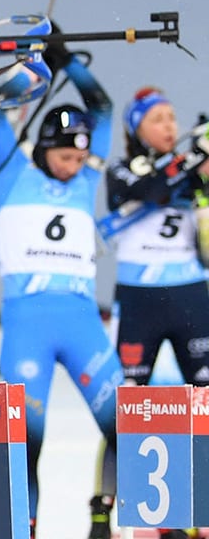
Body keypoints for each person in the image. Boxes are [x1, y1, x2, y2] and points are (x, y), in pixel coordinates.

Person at [0, 38, 122, 537]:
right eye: (65, 156)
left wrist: (68, 62)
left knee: (126, 426)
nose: (74, 166)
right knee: (25, 443)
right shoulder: (12, 174)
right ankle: (27, 528)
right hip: (29, 326)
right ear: (44, 148)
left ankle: (102, 518)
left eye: (80, 158)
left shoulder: (86, 182)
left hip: (82, 322)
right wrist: (33, 69)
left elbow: (102, 108)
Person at [105, 87, 209, 387]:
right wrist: (195, 156)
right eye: (157, 119)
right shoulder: (121, 169)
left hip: (190, 293)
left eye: (172, 118)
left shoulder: (193, 170)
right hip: (139, 296)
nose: (169, 126)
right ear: (137, 129)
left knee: (205, 394)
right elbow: (150, 190)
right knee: (129, 398)